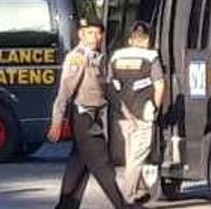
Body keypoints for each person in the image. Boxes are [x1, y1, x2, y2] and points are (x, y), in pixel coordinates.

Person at [48, 18, 135, 209]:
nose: (94, 37)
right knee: (102, 164)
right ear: (81, 34)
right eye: (89, 33)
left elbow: (110, 90)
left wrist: (126, 114)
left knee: (79, 166)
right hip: (83, 116)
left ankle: (65, 206)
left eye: (97, 33)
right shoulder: (78, 57)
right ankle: (122, 205)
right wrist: (57, 121)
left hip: (96, 116)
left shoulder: (100, 58)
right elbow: (64, 92)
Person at [109, 21, 165, 204]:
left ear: (131, 39)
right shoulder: (151, 57)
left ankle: (140, 189)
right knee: (138, 154)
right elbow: (160, 85)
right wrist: (156, 107)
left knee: (130, 152)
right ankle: (127, 196)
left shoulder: (116, 56)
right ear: (148, 39)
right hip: (143, 112)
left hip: (122, 113)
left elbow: (109, 83)